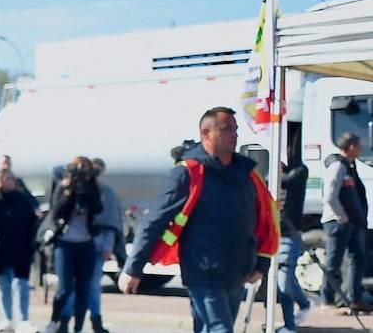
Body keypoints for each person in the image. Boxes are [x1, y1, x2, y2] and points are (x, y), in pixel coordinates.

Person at [118, 107, 279, 333]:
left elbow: (266, 220)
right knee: (220, 329)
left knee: (208, 328)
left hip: (238, 271)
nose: (234, 135)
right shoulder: (187, 173)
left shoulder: (247, 174)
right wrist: (133, 268)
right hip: (203, 271)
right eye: (225, 129)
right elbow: (154, 221)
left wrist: (262, 263)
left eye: (235, 129)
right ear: (206, 133)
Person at [41, 157, 102, 333]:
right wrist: (68, 192)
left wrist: (86, 192)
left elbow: (98, 208)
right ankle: (54, 322)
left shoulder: (93, 189)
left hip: (86, 244)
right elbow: (55, 212)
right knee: (65, 287)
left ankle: (78, 328)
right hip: (65, 244)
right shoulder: (64, 186)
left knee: (84, 288)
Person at [61, 158, 121, 333]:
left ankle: (95, 319)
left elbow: (111, 220)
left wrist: (108, 245)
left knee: (93, 284)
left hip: (99, 243)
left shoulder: (106, 192)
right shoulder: (76, 189)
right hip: (80, 243)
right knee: (72, 284)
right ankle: (65, 318)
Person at [0, 168, 40, 333]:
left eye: (11, 179)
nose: (10, 182)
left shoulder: (22, 199)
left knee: (21, 284)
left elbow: (33, 219)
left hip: (20, 248)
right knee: (3, 286)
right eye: (6, 179)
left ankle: (23, 320)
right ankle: (6, 319)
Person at [320, 132, 373, 312]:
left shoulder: (350, 166)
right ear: (350, 146)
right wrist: (342, 217)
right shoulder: (338, 166)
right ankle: (327, 300)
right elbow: (330, 196)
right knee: (333, 262)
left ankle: (354, 298)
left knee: (358, 258)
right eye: (358, 145)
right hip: (338, 222)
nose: (361, 149)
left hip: (351, 223)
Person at [275, 159, 311, 333]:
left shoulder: (298, 172)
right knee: (286, 279)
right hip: (272, 236)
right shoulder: (270, 177)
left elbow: (289, 181)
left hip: (289, 236)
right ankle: (304, 304)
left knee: (284, 284)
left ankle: (289, 326)